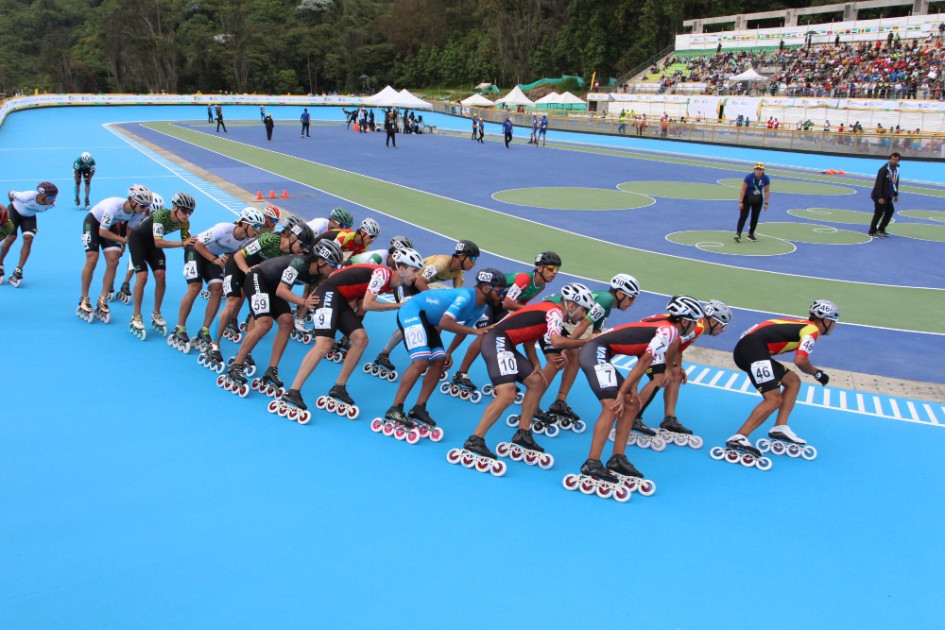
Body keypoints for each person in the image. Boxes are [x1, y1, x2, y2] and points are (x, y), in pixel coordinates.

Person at [458, 283, 595, 467]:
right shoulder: (555, 312)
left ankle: (523, 433)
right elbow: (555, 341)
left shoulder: (550, 311)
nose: (583, 317)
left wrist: (536, 363)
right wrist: (585, 341)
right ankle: (476, 438)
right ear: (572, 306)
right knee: (507, 393)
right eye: (583, 311)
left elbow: (530, 338)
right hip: (497, 341)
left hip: (505, 342)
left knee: (537, 382)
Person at [278, 248, 424, 418]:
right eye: (414, 270)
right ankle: (293, 391)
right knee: (324, 344)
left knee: (361, 339)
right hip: (328, 294)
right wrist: (398, 306)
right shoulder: (382, 274)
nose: (415, 277)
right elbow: (368, 305)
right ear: (402, 268)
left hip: (338, 298)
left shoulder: (395, 284)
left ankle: (339, 387)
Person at [575, 296, 704, 486]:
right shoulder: (668, 330)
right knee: (612, 406)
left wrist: (631, 387)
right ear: (685, 321)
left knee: (632, 404)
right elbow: (645, 360)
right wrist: (622, 390)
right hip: (595, 351)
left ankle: (617, 458)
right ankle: (592, 462)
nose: (695, 327)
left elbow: (639, 349)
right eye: (694, 322)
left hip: (602, 353)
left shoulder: (665, 327)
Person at [382, 268, 510, 432]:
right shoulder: (465, 297)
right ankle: (395, 408)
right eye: (499, 291)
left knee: (439, 360)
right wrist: (475, 332)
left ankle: (419, 407)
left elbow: (462, 331)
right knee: (421, 362)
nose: (502, 296)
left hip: (427, 319)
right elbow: (445, 322)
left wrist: (449, 352)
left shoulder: (481, 307)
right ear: (486, 288)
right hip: (413, 311)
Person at [221, 240, 343, 398]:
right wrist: (302, 302)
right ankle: (236, 365)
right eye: (333, 265)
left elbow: (311, 298)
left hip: (272, 286)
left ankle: (272, 369)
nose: (335, 269)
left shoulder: (320, 275)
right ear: (320, 261)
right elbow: (282, 291)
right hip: (258, 278)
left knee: (287, 323)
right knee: (265, 324)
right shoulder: (298, 263)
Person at [724, 300, 839, 458]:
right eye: (833, 322)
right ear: (826, 321)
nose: (833, 326)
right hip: (753, 349)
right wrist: (817, 373)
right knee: (773, 399)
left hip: (751, 348)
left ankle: (780, 427)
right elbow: (800, 360)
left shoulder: (802, 325)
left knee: (793, 381)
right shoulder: (812, 331)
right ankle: (739, 437)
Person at [448, 251, 561, 395]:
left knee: (506, 340)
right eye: (551, 268)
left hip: (500, 306)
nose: (554, 272)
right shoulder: (525, 278)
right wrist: (535, 310)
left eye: (557, 269)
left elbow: (519, 304)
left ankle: (503, 378)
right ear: (540, 268)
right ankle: (461, 373)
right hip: (489, 302)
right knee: (484, 335)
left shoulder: (541, 286)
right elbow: (509, 303)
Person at [539, 273, 640, 428]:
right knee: (557, 360)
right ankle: (533, 402)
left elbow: (596, 335)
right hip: (550, 312)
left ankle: (560, 401)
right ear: (620, 293)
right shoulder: (606, 299)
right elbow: (583, 325)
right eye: (631, 298)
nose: (632, 303)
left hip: (559, 316)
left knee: (575, 357)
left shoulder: (607, 307)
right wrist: (565, 347)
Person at [209, 215, 315, 358]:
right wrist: (246, 270)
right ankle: (214, 344)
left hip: (256, 273)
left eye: (306, 248)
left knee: (259, 307)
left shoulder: (293, 254)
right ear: (292, 238)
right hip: (237, 265)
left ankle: (246, 350)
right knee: (232, 302)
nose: (303, 250)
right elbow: (239, 255)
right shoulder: (270, 239)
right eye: (302, 246)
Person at [371, 239, 479, 374]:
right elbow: (420, 282)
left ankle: (428, 355)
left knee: (437, 321)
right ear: (462, 256)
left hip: (417, 287)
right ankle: (385, 354)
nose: (475, 263)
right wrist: (434, 302)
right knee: (412, 321)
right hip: (406, 284)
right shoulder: (441, 263)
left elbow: (458, 294)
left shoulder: (459, 273)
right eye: (473, 258)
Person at [634, 299, 733, 440]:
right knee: (659, 378)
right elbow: (674, 342)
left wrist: (678, 368)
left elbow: (679, 349)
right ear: (712, 321)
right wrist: (668, 368)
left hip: (654, 337)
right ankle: (633, 417)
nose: (723, 330)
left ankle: (669, 419)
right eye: (723, 325)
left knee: (676, 375)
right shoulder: (698, 327)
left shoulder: (696, 325)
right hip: (646, 339)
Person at [168, 208, 264, 349]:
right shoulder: (223, 229)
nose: (258, 231)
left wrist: (227, 258)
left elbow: (237, 255)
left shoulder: (248, 241)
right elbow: (198, 244)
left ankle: (204, 330)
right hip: (195, 250)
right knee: (195, 287)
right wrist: (214, 259)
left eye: (259, 227)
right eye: (256, 226)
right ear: (244, 224)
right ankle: (180, 327)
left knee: (217, 290)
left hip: (212, 257)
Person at [78, 184, 153, 322]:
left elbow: (130, 230)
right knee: (92, 258)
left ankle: (103, 298)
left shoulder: (138, 212)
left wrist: (129, 244)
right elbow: (102, 232)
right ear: (132, 201)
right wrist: (123, 241)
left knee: (114, 261)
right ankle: (84, 298)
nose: (145, 209)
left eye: (147, 207)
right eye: (143, 206)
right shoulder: (113, 205)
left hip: (110, 225)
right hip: (93, 223)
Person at [128, 192, 196, 337]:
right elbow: (159, 242)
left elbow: (188, 243)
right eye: (184, 210)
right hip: (138, 241)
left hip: (152, 245)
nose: (187, 215)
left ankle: (156, 312)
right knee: (142, 276)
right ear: (175, 208)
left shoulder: (185, 222)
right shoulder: (160, 215)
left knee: (160, 275)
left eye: (190, 212)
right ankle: (136, 315)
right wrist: (181, 243)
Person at [0, 181, 58, 287]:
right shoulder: (27, 196)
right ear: (42, 195)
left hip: (29, 217)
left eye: (54, 197)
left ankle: (19, 270)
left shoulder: (51, 205)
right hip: (14, 212)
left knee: (28, 239)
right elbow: (10, 193)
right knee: (11, 237)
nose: (53, 200)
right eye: (50, 198)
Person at [735, 162, 770, 242]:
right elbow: (743, 190)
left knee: (755, 217)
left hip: (758, 199)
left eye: (760, 169)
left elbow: (767, 191)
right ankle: (738, 234)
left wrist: (766, 202)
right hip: (747, 198)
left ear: (763, 170)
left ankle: (751, 234)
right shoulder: (749, 177)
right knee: (744, 215)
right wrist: (741, 202)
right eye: (757, 169)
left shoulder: (765, 178)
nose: (758, 171)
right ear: (754, 169)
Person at [868, 152, 900, 238]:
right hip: (880, 195)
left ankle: (881, 228)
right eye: (893, 159)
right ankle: (872, 231)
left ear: (898, 160)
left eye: (896, 160)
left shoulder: (897, 169)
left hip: (888, 195)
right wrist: (880, 197)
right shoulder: (884, 169)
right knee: (878, 213)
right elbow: (878, 184)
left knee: (890, 210)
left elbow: (895, 181)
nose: (894, 161)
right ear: (890, 159)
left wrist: (896, 194)